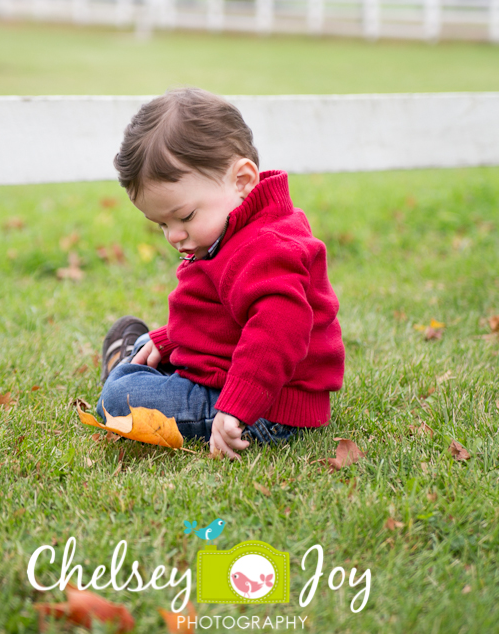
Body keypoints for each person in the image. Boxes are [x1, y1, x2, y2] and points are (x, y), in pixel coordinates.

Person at [97, 88, 344, 460]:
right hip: (229, 370)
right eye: (160, 224)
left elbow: (277, 333)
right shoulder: (231, 230)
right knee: (146, 344)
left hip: (266, 409)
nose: (173, 235)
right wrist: (170, 339)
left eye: (184, 217)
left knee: (119, 399)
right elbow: (224, 316)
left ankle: (119, 377)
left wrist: (235, 408)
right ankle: (136, 361)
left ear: (242, 180)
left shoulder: (266, 246)